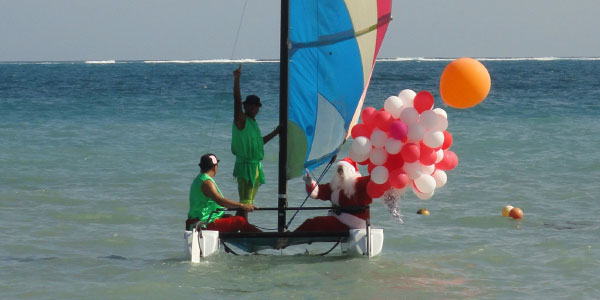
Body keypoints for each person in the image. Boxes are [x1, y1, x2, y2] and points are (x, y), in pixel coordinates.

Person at [231, 64, 280, 220]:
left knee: (248, 203)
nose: (254, 109)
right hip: (246, 167)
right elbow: (237, 102)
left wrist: (276, 132)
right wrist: (237, 80)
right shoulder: (242, 120)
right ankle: (242, 228)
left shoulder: (253, 123)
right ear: (246, 107)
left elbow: (259, 142)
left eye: (256, 107)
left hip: (256, 167)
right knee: (245, 204)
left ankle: (239, 226)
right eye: (251, 106)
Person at [186, 153, 261, 233]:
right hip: (205, 224)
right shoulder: (207, 183)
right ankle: (261, 238)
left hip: (199, 221)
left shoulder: (199, 179)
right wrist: (242, 205)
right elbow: (220, 200)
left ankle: (255, 237)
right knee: (240, 221)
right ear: (215, 167)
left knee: (230, 217)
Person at [293, 157, 373, 232]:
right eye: (338, 170)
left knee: (315, 222)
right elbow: (319, 191)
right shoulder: (335, 186)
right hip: (338, 221)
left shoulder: (359, 183)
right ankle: (291, 236)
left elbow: (373, 180)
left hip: (353, 223)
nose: (340, 172)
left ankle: (290, 237)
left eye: (342, 170)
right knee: (311, 223)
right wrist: (310, 183)